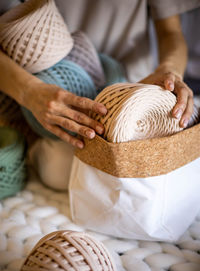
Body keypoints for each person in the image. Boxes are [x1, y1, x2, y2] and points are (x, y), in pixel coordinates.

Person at [0, 0, 200, 190]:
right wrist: (28, 92)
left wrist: (170, 70)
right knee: (59, 171)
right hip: (48, 93)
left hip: (137, 88)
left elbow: (171, 32)